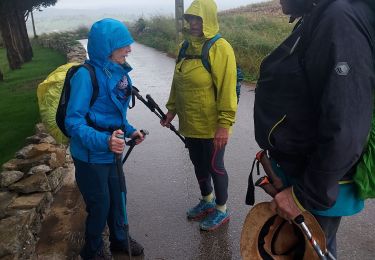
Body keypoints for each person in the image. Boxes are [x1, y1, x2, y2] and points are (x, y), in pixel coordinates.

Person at [253, 0, 374, 257]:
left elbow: (346, 126)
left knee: (310, 252)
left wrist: (303, 197)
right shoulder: (319, 16)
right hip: (303, 173)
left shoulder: (338, 20)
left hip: (316, 183)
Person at [65, 18, 145, 259]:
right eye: (124, 45)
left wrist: (130, 130)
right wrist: (104, 141)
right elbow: (73, 122)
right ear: (107, 47)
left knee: (119, 196)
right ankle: (92, 250)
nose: (129, 49)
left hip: (112, 151)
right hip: (90, 156)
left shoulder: (118, 72)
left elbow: (114, 115)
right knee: (100, 204)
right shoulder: (84, 76)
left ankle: (119, 240)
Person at [161, 0, 238, 231]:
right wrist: (171, 110)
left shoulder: (220, 47)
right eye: (191, 18)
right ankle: (206, 201)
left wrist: (224, 125)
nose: (194, 23)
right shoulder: (185, 47)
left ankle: (222, 210)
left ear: (209, 19)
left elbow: (227, 89)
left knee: (215, 166)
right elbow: (178, 81)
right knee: (198, 164)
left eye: (199, 18)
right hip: (191, 122)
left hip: (212, 125)